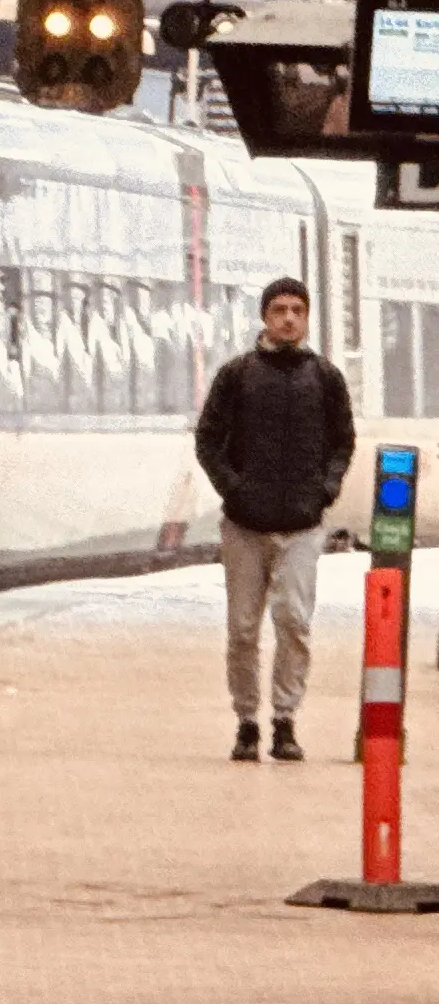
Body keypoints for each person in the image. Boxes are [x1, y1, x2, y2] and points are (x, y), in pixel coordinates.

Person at [195, 271, 358, 761]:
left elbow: (342, 442)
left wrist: (325, 491)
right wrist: (233, 489)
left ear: (306, 318)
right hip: (244, 525)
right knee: (243, 628)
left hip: (303, 525)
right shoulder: (236, 375)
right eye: (280, 310)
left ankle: (285, 719)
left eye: (297, 311)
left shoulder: (325, 378)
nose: (289, 319)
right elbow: (208, 440)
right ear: (265, 316)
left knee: (293, 621)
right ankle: (247, 721)